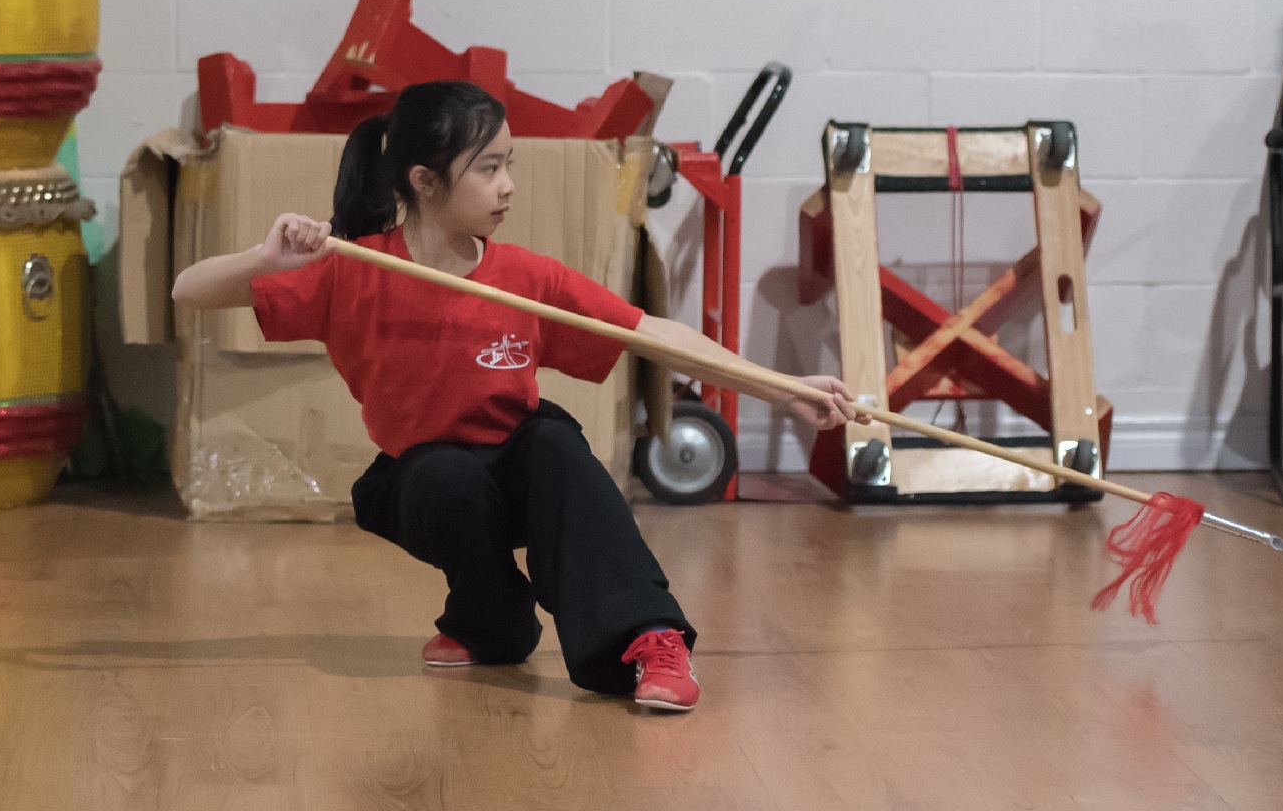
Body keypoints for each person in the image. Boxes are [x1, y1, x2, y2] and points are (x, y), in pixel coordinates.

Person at [172, 81, 855, 712]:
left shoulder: (525, 278)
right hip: (427, 484)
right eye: (490, 168)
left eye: (511, 165)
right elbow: (188, 291)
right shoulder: (351, 271)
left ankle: (648, 638)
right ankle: (490, 623)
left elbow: (653, 333)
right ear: (425, 180)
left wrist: (783, 388)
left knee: (556, 443)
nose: (509, 187)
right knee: (441, 472)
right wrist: (267, 260)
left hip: (524, 470)